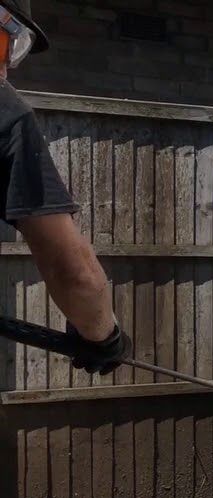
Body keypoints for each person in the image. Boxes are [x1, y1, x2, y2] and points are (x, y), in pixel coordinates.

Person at [0, 0, 129, 376]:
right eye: (12, 44)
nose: (8, 67)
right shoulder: (8, 117)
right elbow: (73, 272)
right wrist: (105, 337)